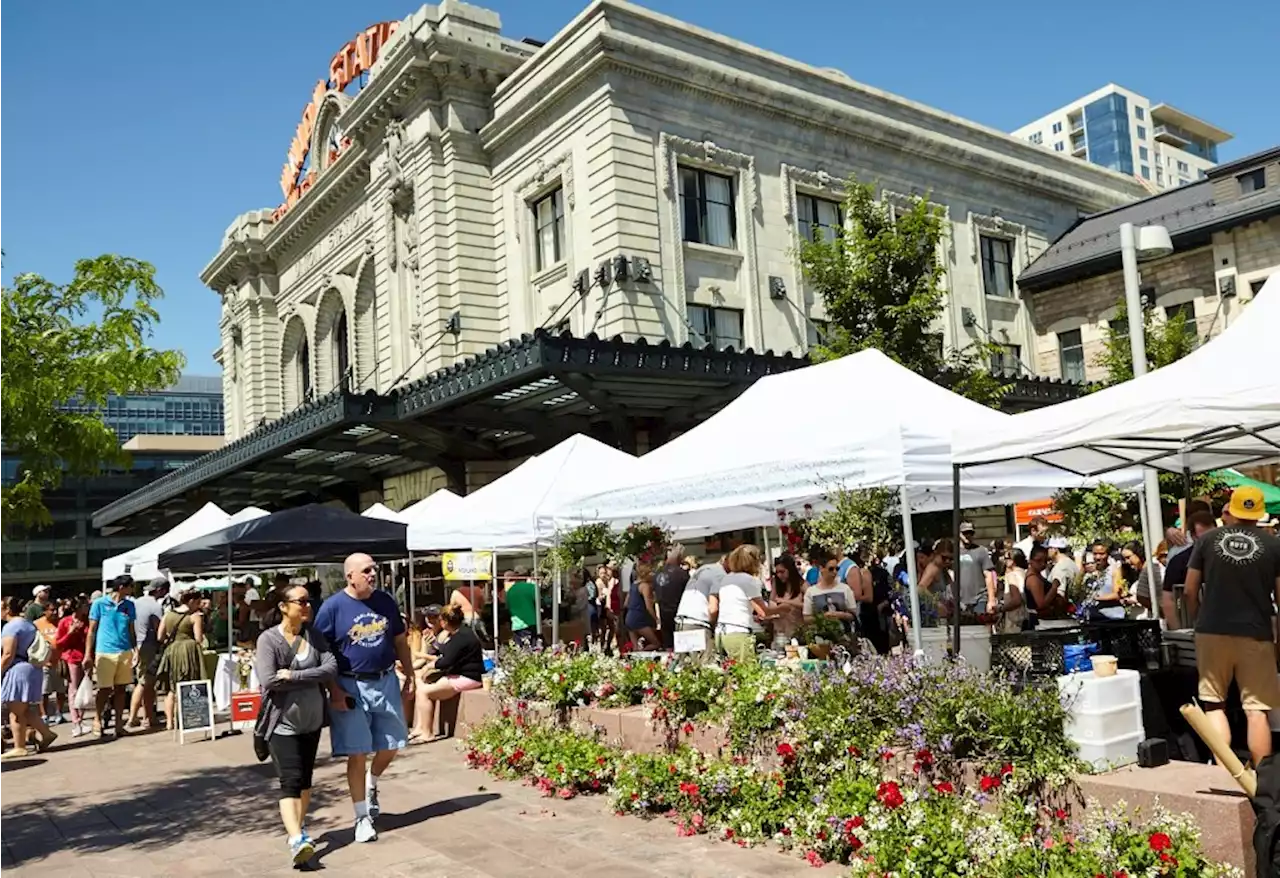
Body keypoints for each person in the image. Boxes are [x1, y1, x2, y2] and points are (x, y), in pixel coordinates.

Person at [313, 552, 413, 844]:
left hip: (385, 682)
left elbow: (399, 639)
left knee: (393, 743)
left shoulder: (385, 602)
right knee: (357, 752)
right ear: (350, 576)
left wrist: (411, 676)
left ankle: (373, 782)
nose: (372, 574)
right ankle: (361, 818)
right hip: (350, 687)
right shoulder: (332, 608)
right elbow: (321, 651)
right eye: (367, 570)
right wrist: (334, 689)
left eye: (374, 570)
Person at [1185, 485, 1280, 768]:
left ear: (1231, 509)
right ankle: (1262, 783)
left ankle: (1226, 774)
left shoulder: (1207, 540)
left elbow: (1190, 590)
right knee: (1257, 711)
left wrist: (1197, 621)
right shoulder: (1274, 545)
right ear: (1259, 512)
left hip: (1212, 631)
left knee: (1215, 704)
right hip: (1256, 633)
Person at [255, 584, 338, 868]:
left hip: (312, 721)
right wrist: (308, 676)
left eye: (309, 601)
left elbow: (330, 668)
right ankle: (295, 839)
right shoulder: (269, 640)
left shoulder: (314, 635)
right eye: (301, 601)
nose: (307, 606)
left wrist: (293, 674)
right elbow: (268, 680)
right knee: (289, 780)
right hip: (283, 723)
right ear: (283, 606)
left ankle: (299, 831)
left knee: (305, 781)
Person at [1, 596, 56, 760]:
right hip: (31, 668)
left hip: (19, 669)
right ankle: (46, 733)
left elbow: (8, 654)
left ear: (7, 609)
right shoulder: (27, 624)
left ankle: (19, 746)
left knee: (15, 712)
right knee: (23, 709)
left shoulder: (11, 627)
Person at [417, 604, 485, 736]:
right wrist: (434, 644)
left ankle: (426, 733)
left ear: (445, 622)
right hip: (459, 676)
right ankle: (420, 728)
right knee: (421, 687)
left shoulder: (461, 637)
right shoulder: (460, 633)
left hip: (467, 678)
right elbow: (448, 651)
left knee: (424, 692)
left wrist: (429, 666)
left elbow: (446, 661)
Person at [85, 575, 137, 739]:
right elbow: (91, 631)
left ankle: (119, 724)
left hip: (125, 651)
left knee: (122, 689)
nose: (132, 590)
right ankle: (98, 719)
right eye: (130, 586)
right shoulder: (99, 604)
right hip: (105, 651)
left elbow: (131, 630)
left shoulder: (129, 605)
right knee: (104, 689)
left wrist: (135, 649)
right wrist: (88, 653)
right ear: (122, 587)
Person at [157, 589, 209, 731]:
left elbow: (160, 637)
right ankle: (186, 719)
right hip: (188, 651)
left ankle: (169, 722)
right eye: (198, 602)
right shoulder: (195, 617)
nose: (199, 606)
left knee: (172, 687)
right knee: (189, 684)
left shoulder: (168, 615)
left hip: (172, 651)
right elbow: (198, 638)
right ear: (191, 601)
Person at [710, 545, 772, 662]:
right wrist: (783, 608)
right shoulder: (750, 581)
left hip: (721, 633)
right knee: (748, 673)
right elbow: (763, 612)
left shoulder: (726, 578)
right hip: (738, 633)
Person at [1162, 510, 1216, 626]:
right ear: (1192, 536)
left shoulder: (1227, 558)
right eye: (1203, 538)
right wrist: (1179, 632)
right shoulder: (1179, 562)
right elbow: (1168, 600)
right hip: (1191, 626)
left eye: (1212, 536)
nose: (1208, 541)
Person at [127, 577, 167, 730]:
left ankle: (148, 716)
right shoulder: (155, 606)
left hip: (136, 646)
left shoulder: (136, 603)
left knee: (147, 683)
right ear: (159, 590)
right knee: (144, 683)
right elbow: (159, 630)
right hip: (149, 646)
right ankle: (132, 717)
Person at [803, 547, 858, 634]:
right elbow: (806, 618)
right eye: (831, 569)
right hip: (819, 636)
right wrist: (823, 617)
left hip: (844, 635)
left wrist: (839, 615)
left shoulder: (845, 589)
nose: (835, 572)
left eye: (837, 569)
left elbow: (853, 614)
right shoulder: (811, 592)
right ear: (821, 569)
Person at [56, 599, 90, 736]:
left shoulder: (88, 621)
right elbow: (58, 643)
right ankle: (76, 722)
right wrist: (70, 632)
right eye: (85, 606)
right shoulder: (65, 622)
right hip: (72, 658)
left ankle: (81, 719)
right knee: (74, 690)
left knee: (85, 690)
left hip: (86, 657)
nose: (87, 608)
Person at [34, 602, 66, 726]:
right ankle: (44, 715)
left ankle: (59, 713)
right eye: (52, 610)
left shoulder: (60, 622)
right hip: (44, 663)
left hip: (59, 662)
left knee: (61, 690)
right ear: (45, 611)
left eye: (56, 610)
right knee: (44, 691)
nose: (54, 612)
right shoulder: (37, 624)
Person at [654, 545, 690, 650]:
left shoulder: (658, 573)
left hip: (663, 612)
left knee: (668, 644)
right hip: (679, 612)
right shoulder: (682, 574)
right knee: (681, 643)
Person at [957, 522, 996, 612]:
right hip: (959, 600)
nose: (968, 536)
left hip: (980, 598)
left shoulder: (981, 551)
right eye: (965, 533)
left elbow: (988, 575)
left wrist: (991, 599)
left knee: (980, 625)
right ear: (959, 534)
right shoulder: (954, 552)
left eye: (971, 533)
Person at [767, 554, 806, 642]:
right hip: (780, 632)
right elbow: (772, 602)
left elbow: (810, 605)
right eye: (777, 572)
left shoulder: (802, 585)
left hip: (797, 633)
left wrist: (787, 602)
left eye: (782, 572)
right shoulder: (776, 585)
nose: (779, 575)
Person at [505, 570, 538, 649]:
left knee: (520, 649)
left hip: (516, 623)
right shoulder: (532, 588)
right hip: (530, 622)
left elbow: (507, 607)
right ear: (527, 576)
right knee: (531, 649)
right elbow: (540, 603)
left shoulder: (510, 590)